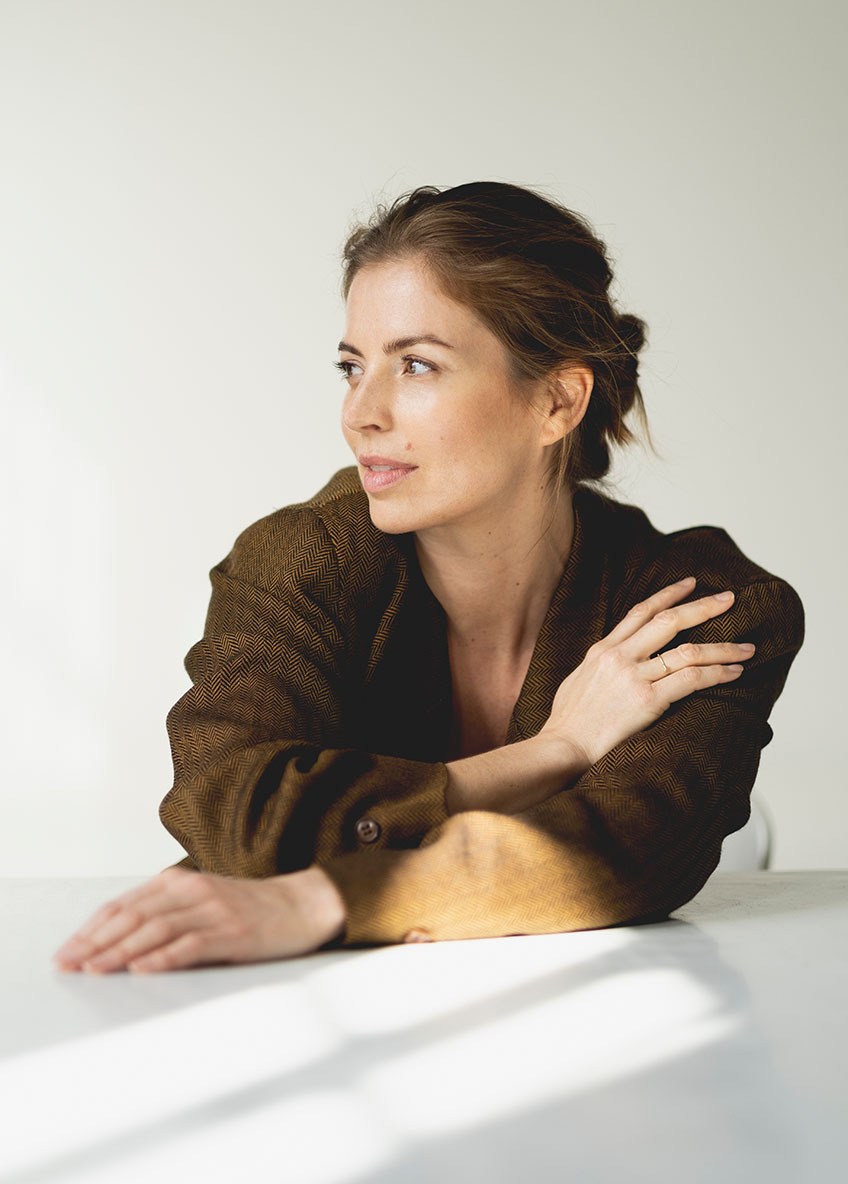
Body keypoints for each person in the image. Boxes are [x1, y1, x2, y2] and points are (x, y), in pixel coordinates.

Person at [53, 181, 804, 974]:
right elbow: (239, 820)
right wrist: (557, 750)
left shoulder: (699, 608)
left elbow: (625, 854)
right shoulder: (299, 560)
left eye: (415, 365)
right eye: (352, 366)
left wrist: (321, 900)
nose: (360, 413)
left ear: (557, 401)